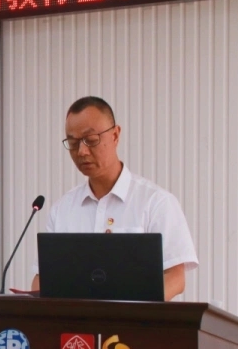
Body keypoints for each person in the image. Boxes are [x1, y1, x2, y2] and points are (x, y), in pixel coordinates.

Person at [31, 97, 198, 300]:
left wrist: (127, 312)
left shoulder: (156, 202)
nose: (82, 151)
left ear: (115, 135)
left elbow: (175, 278)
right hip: (75, 321)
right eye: (73, 143)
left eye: (91, 140)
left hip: (134, 320)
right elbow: (42, 280)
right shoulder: (62, 210)